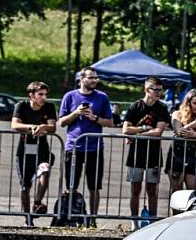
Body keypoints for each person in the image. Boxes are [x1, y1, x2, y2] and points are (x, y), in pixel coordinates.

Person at [58, 66, 113, 227]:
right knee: (70, 185)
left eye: (96, 78)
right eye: (91, 77)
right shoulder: (69, 96)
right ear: (81, 79)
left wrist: (94, 117)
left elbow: (110, 122)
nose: (94, 80)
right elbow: (61, 122)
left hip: (94, 148)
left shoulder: (102, 97)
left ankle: (93, 219)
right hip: (73, 147)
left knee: (94, 186)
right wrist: (76, 113)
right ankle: (70, 217)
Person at [122, 76, 170, 230]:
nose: (158, 92)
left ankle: (153, 222)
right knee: (135, 189)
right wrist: (144, 129)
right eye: (154, 89)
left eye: (160, 90)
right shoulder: (135, 106)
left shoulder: (162, 108)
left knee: (152, 190)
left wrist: (135, 134)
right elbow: (125, 129)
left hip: (154, 153)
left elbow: (158, 131)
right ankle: (134, 221)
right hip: (136, 154)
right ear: (146, 90)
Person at [11, 81, 57, 227]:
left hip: (42, 148)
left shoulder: (49, 107)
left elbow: (53, 127)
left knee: (45, 170)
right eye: (40, 94)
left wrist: (44, 127)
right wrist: (31, 127)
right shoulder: (22, 105)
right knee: (25, 185)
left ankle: (37, 202)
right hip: (25, 148)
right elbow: (15, 124)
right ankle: (27, 217)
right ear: (31, 95)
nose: (43, 97)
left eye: (45, 94)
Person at [167, 88, 196, 194]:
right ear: (188, 102)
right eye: (195, 103)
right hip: (176, 155)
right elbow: (180, 132)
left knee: (194, 192)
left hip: (192, 155)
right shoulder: (177, 114)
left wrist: (195, 134)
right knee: (176, 193)